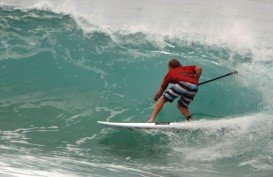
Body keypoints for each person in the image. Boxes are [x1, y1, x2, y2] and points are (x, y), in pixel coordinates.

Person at [146, 58, 202, 123]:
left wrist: (156, 98)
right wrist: (196, 80)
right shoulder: (188, 67)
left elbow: (161, 90)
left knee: (162, 99)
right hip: (194, 87)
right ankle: (190, 121)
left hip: (183, 84)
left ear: (170, 67)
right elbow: (199, 68)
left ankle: (151, 119)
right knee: (182, 105)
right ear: (179, 65)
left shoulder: (170, 73)